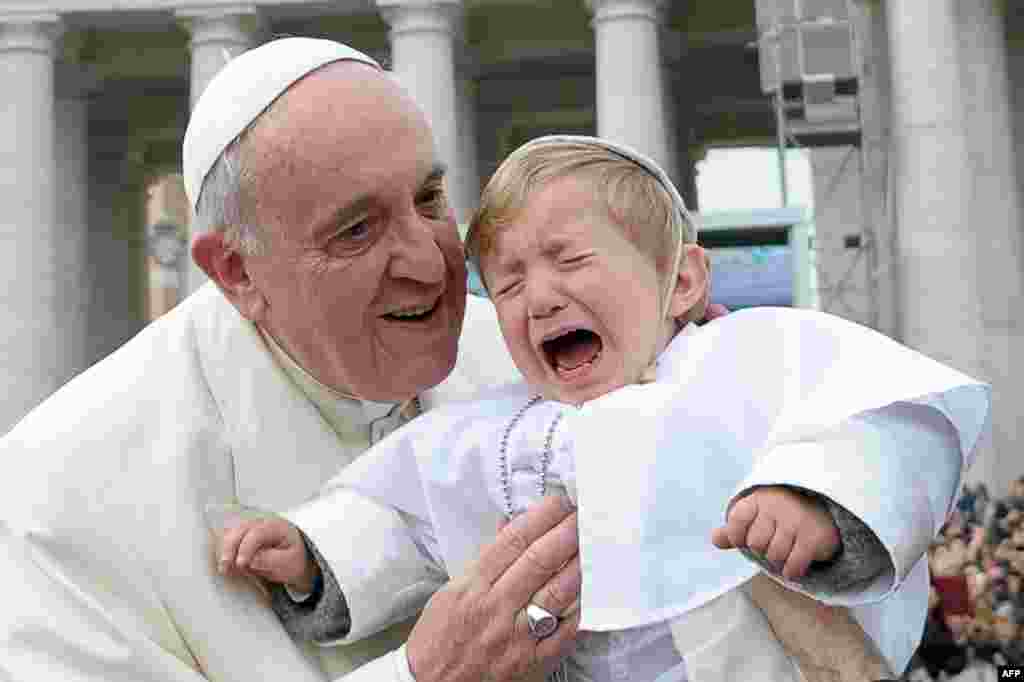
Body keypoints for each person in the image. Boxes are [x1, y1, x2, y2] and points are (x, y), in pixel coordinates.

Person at [217, 136, 990, 681]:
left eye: (570, 259)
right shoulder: (497, 429)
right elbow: (405, 516)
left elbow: (883, 422)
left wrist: (817, 510)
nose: (540, 296)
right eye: (509, 282)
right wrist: (313, 559)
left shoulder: (749, 355)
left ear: (681, 282)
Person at [0, 39, 580, 682]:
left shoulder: (543, 355)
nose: (430, 264)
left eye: (429, 199)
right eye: (356, 230)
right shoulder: (63, 495)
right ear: (236, 271)